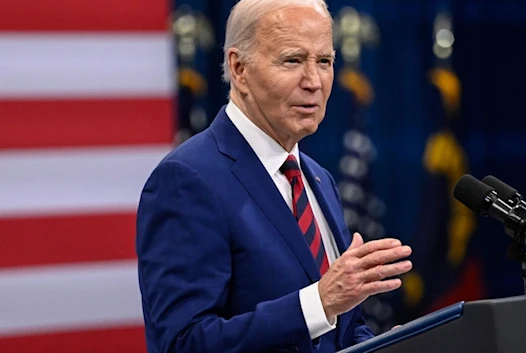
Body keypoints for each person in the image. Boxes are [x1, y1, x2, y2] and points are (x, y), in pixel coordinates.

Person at [136, 0, 413, 352]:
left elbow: (340, 330)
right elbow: (182, 343)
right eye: (292, 60)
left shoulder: (318, 179)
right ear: (239, 69)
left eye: (324, 61)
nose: (313, 81)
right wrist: (318, 303)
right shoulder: (187, 180)